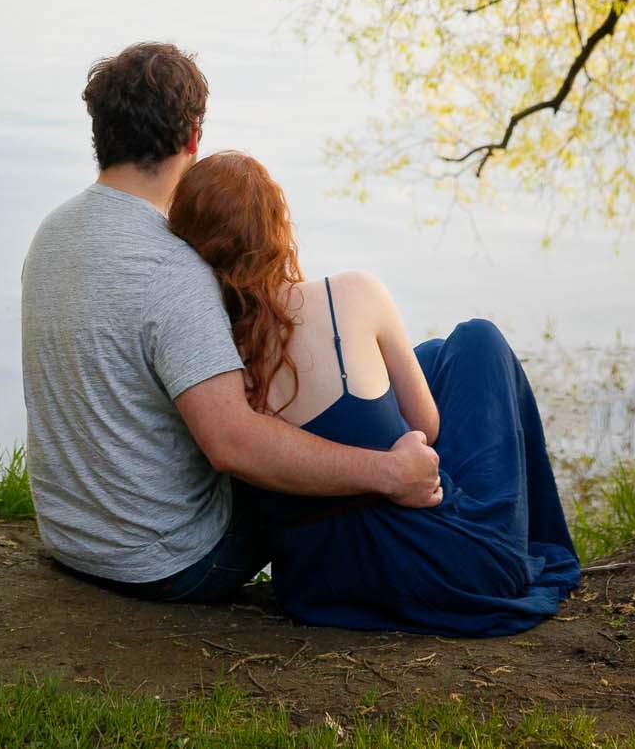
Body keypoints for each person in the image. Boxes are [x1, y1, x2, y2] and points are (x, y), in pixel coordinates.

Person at [19, 42, 443, 604]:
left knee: (399, 370)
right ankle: (431, 549)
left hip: (74, 539)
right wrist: (389, 473)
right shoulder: (175, 270)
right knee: (356, 412)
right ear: (194, 137)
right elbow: (232, 445)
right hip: (173, 561)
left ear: (100, 134)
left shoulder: (51, 233)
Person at [167, 148, 581, 635]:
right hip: (451, 571)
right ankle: (521, 541)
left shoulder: (203, 360)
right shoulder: (354, 293)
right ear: (278, 230)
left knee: (431, 353)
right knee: (475, 340)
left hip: (318, 585)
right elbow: (427, 427)